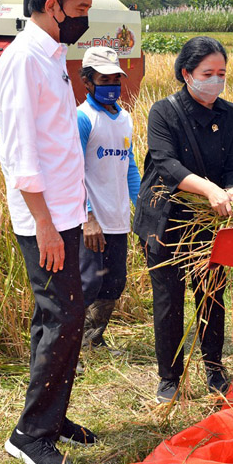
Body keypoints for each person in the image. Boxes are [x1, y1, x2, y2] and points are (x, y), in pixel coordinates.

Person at [0, 0, 96, 464]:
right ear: (52, 4)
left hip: (64, 211)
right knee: (64, 317)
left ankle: (51, 419)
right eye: (79, 9)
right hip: (45, 219)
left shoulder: (52, 54)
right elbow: (20, 153)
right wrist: (46, 225)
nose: (84, 19)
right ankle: (29, 435)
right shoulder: (22, 61)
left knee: (56, 318)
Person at [133, 36, 233, 404]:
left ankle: (214, 369)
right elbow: (166, 165)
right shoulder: (163, 112)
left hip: (209, 221)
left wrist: (232, 192)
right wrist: (210, 191)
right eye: (207, 73)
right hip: (166, 218)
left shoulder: (230, 115)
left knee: (212, 294)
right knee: (168, 300)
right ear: (187, 74)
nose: (215, 81)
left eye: (221, 74)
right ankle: (170, 378)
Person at [76, 46, 141, 350]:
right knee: (88, 283)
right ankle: (70, 346)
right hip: (92, 221)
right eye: (104, 79)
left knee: (114, 282)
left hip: (117, 219)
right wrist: (88, 217)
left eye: (116, 78)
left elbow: (130, 167)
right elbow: (72, 172)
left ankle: (93, 340)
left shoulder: (124, 118)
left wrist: (142, 208)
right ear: (87, 82)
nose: (112, 86)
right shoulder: (82, 118)